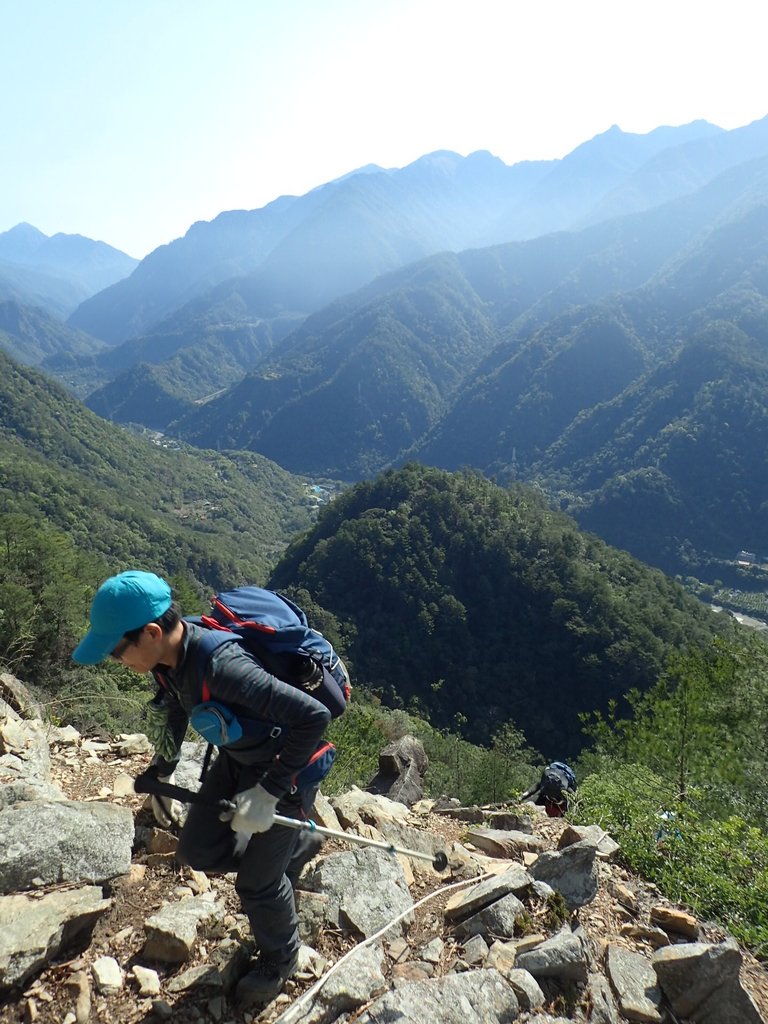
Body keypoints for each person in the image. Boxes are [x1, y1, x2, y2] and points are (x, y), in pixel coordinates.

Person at [72, 570, 333, 1008]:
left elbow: (314, 717)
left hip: (284, 770)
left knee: (256, 884)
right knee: (196, 852)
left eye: (118, 651)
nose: (117, 661)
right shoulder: (168, 660)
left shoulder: (223, 667)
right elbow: (175, 704)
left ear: (152, 633)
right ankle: (298, 844)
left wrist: (268, 793)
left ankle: (282, 957)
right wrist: (165, 768)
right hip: (239, 758)